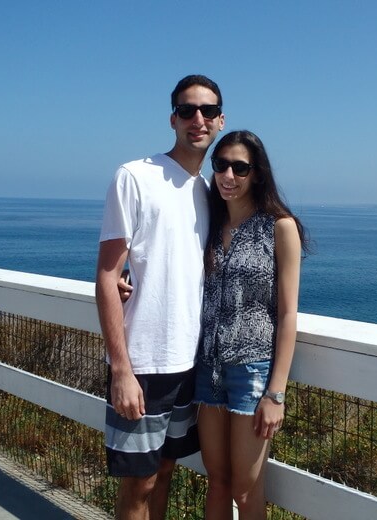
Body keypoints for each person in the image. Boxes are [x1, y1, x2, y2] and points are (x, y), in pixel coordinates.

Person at [95, 75, 225, 520]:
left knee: (166, 470)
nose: (198, 119)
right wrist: (121, 370)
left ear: (220, 120)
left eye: (208, 111)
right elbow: (106, 275)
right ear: (173, 119)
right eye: (187, 110)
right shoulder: (135, 176)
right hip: (143, 364)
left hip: (189, 364)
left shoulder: (208, 191)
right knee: (140, 483)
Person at [195, 130, 307, 520]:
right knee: (217, 480)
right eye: (221, 165)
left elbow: (288, 313)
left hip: (252, 370)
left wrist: (276, 393)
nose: (228, 175)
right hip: (208, 367)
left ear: (256, 173)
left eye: (239, 168)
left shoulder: (279, 227)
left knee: (245, 489)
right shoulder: (209, 223)